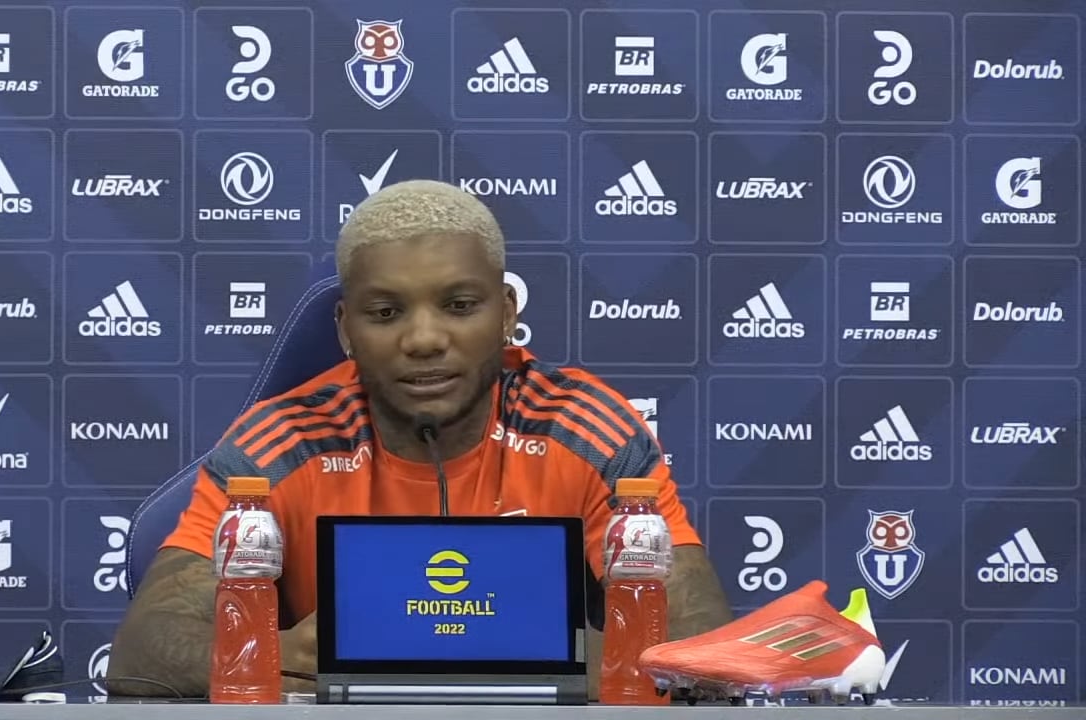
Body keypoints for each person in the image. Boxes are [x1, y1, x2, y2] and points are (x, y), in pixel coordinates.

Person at [107, 179, 732, 698]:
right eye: (385, 313)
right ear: (347, 329)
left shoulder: (586, 427)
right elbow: (141, 651)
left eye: (460, 306)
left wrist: (576, 654)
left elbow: (700, 641)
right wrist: (268, 655)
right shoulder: (280, 442)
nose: (424, 339)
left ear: (508, 315)